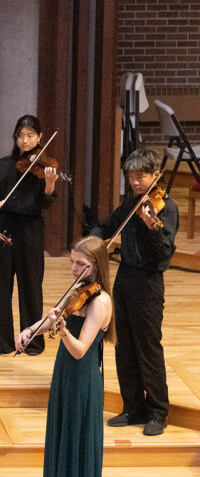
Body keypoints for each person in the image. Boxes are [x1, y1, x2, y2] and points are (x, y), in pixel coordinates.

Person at [17, 235, 114, 477]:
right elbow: (54, 316)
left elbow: (80, 349)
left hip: (83, 379)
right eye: (72, 262)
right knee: (63, 442)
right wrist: (32, 330)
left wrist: (59, 329)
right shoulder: (77, 291)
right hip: (64, 377)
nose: (73, 269)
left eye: (80, 264)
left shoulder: (100, 301)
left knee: (77, 444)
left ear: (96, 266)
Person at [90, 147, 178, 436]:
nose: (136, 182)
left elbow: (164, 254)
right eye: (131, 176)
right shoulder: (130, 203)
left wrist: (153, 226)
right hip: (124, 277)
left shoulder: (167, 207)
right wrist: (91, 242)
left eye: (142, 176)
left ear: (157, 175)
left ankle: (157, 412)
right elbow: (107, 226)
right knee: (124, 345)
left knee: (148, 348)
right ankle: (133, 408)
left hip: (149, 283)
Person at [0, 114, 59, 356]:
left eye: (30, 136)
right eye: (20, 136)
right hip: (4, 226)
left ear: (40, 137)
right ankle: (0, 341)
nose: (24, 141)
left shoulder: (44, 166)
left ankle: (32, 340)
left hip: (30, 229)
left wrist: (49, 184)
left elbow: (47, 202)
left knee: (31, 285)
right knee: (1, 285)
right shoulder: (5, 164)